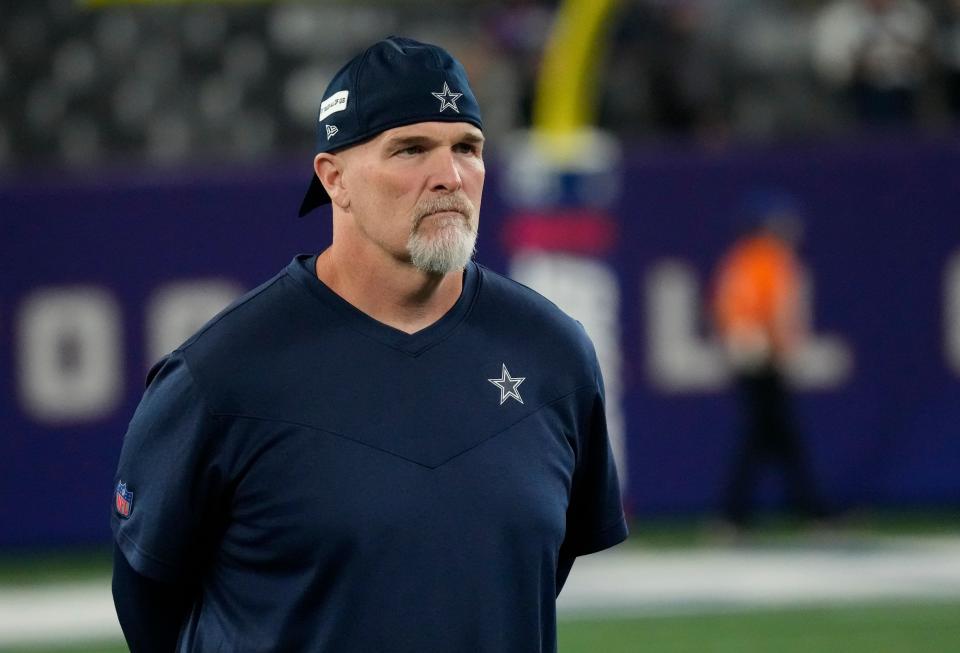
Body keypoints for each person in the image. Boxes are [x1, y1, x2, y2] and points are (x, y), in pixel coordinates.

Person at [110, 36, 627, 652]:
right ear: (335, 179)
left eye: (468, 147)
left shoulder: (555, 354)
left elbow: (525, 577)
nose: (450, 176)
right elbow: (149, 600)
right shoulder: (217, 376)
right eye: (411, 149)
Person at [710, 201, 825, 530]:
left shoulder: (741, 258)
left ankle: (809, 510)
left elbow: (725, 309)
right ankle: (810, 512)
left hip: (746, 355)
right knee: (768, 435)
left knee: (773, 436)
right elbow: (777, 310)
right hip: (764, 357)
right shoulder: (769, 259)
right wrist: (784, 351)